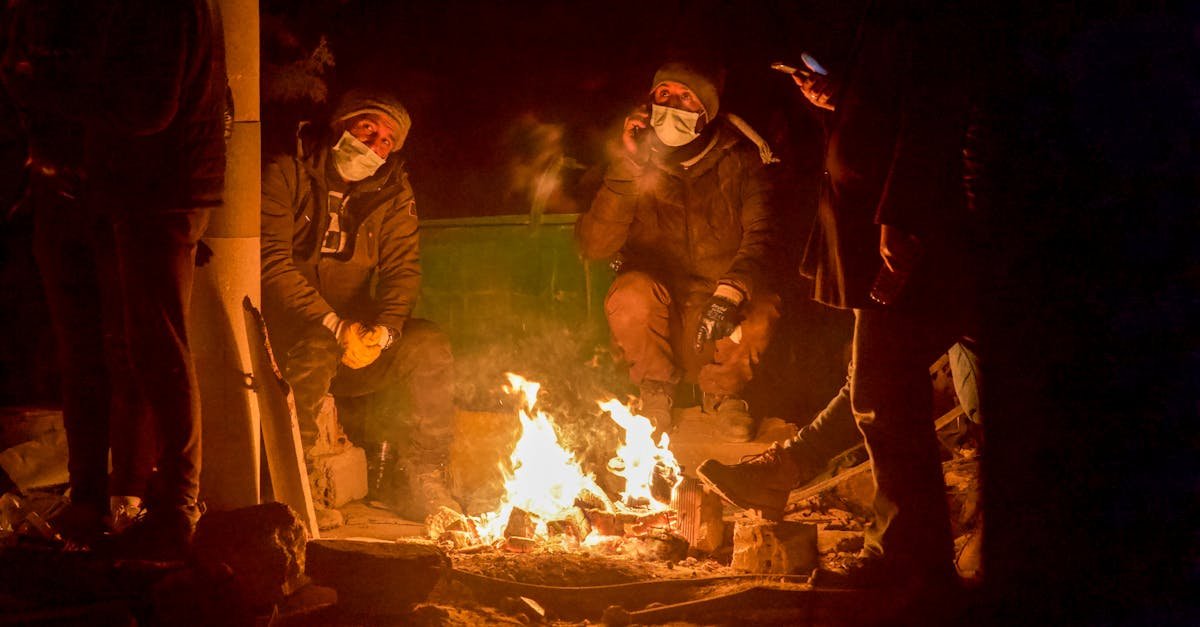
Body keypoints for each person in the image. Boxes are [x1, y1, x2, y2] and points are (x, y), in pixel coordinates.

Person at [705, 3, 976, 599]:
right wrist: (842, 97)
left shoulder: (925, 22)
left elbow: (931, 111)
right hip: (881, 222)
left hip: (911, 229)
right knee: (876, 378)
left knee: (881, 389)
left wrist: (899, 214)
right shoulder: (882, 23)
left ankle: (908, 562)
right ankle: (900, 549)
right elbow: (888, 101)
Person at [0, 0, 227, 556]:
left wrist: (46, 85)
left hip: (154, 188)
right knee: (110, 350)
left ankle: (170, 505)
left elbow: (147, 106)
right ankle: (97, 501)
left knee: (153, 348)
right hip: (113, 188)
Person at [260, 89, 459, 520]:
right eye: (367, 128)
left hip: (353, 340)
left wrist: (384, 332)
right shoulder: (287, 172)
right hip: (289, 336)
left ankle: (424, 476)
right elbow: (270, 262)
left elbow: (402, 270)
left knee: (428, 345)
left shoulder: (391, 191)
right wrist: (333, 325)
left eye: (387, 140)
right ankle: (299, 486)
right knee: (316, 348)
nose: (374, 145)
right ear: (341, 126)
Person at [576, 60, 783, 442]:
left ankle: (723, 394)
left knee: (762, 305)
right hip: (660, 321)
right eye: (664, 94)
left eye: (686, 97)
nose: (673, 105)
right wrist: (628, 165)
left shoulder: (740, 159)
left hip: (718, 315)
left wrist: (731, 290)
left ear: (708, 110)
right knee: (630, 292)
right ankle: (655, 393)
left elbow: (763, 234)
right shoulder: (634, 164)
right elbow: (594, 246)